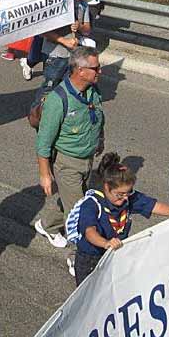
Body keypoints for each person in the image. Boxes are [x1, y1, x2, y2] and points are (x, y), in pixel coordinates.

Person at [73, 153, 169, 286]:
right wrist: (106, 243)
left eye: (127, 193)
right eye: (120, 194)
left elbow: (153, 206)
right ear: (106, 187)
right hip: (91, 258)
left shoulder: (128, 198)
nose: (125, 198)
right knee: (90, 292)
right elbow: (89, 232)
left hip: (116, 253)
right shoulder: (92, 204)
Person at [35, 47, 105, 252]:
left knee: (74, 199)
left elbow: (98, 117)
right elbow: (43, 142)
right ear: (80, 71)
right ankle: (77, 258)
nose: (100, 71)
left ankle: (47, 225)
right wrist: (45, 174)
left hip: (87, 159)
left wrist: (100, 139)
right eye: (96, 68)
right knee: (79, 214)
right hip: (67, 164)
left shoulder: (93, 91)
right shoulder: (57, 100)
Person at [32, 0, 92, 105]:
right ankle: (38, 113)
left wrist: (80, 26)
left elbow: (87, 29)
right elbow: (43, 31)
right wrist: (64, 41)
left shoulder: (83, 5)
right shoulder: (57, 4)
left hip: (73, 57)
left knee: (67, 90)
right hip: (55, 56)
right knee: (49, 89)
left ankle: (59, 114)